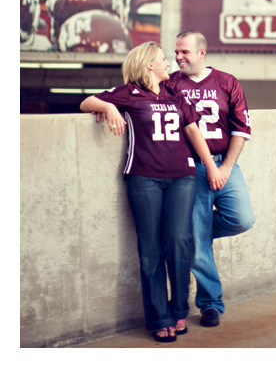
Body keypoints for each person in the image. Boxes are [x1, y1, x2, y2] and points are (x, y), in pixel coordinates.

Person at [80, 42, 225, 343]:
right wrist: (108, 107)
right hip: (144, 179)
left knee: (178, 242)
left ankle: (179, 310)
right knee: (151, 250)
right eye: (163, 60)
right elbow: (86, 102)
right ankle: (159, 318)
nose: (168, 64)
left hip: (182, 177)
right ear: (149, 65)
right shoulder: (129, 93)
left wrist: (210, 165)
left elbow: (193, 130)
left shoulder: (175, 93)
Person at [168, 29, 254, 328]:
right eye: (176, 52)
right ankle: (210, 304)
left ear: (201, 53)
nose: (177, 57)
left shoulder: (227, 82)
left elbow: (241, 129)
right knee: (198, 247)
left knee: (242, 218)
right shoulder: (170, 84)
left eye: (184, 52)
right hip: (189, 171)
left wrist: (227, 167)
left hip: (223, 164)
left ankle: (195, 234)